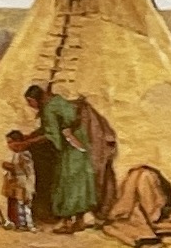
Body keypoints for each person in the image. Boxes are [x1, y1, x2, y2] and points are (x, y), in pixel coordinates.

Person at [6, 83, 101, 231]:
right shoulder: (56, 100)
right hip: (79, 143)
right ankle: (77, 220)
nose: (30, 105)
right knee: (77, 181)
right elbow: (49, 128)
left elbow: (51, 135)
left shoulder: (49, 109)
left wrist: (27, 143)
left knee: (67, 183)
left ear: (35, 99)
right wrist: (30, 136)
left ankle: (70, 222)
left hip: (71, 147)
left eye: (30, 102)